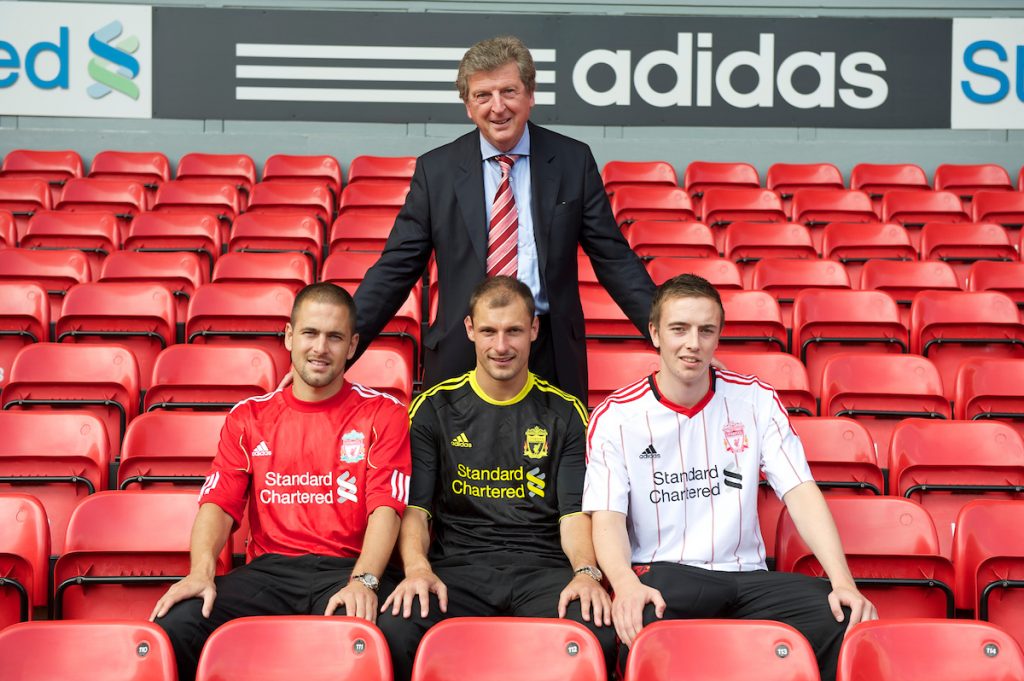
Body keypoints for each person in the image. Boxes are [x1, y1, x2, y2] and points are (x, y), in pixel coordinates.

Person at [584, 274, 877, 681]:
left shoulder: (754, 398)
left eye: (706, 331)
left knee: (842, 617)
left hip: (747, 577)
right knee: (644, 619)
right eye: (679, 329)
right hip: (666, 575)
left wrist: (843, 582)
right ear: (654, 333)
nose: (693, 343)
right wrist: (624, 585)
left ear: (719, 336)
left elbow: (800, 493)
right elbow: (608, 519)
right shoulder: (616, 416)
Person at [354, 35, 655, 402]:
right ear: (467, 105)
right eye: (483, 95)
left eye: (509, 91)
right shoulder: (437, 171)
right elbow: (395, 269)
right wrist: (341, 346)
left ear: (531, 94)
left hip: (550, 354)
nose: (498, 108)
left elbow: (614, 259)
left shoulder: (573, 161)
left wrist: (668, 335)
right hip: (461, 353)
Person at [150, 283, 412, 681]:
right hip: (270, 573)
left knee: (397, 630)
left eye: (334, 337)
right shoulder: (248, 416)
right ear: (289, 336)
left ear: (353, 344)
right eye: (310, 333)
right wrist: (201, 571)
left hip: (345, 568)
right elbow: (219, 505)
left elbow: (386, 509)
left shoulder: (383, 413)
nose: (320, 348)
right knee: (178, 624)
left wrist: (364, 581)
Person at [377, 276, 617, 681]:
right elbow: (416, 511)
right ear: (470, 329)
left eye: (514, 331)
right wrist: (417, 569)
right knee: (396, 627)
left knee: (597, 631)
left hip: (543, 571)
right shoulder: (433, 408)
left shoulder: (565, 412)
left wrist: (585, 573)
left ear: (534, 330)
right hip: (457, 571)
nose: (501, 346)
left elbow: (573, 515)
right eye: (488, 331)